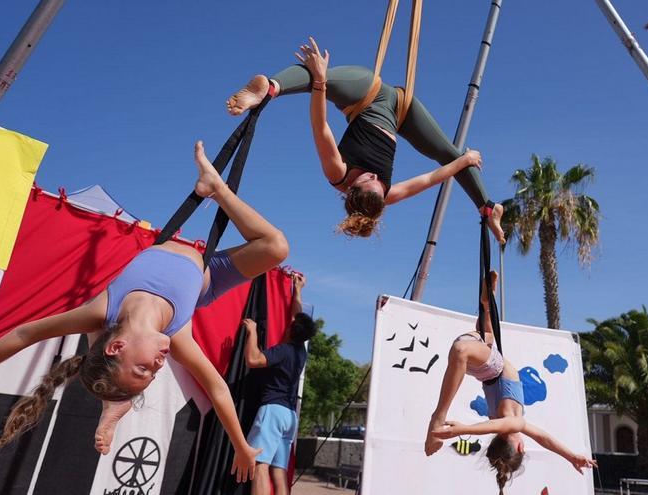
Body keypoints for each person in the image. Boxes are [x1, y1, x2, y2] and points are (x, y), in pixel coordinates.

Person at [0, 141, 289, 483]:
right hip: (204, 280)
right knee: (276, 247)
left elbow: (24, 333)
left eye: (144, 368)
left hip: (129, 312)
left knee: (101, 328)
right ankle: (219, 190)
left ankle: (113, 404)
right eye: (152, 375)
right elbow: (218, 389)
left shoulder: (102, 309)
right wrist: (240, 445)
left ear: (118, 349)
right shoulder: (177, 337)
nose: (158, 367)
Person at [226, 37, 505, 240]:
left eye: (368, 181)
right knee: (450, 154)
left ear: (351, 189)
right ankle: (488, 207)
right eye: (378, 185)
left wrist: (321, 81)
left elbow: (320, 126)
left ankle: (268, 89)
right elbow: (431, 178)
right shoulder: (386, 195)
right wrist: (465, 159)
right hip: (401, 110)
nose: (375, 178)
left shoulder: (337, 173)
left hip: (365, 95)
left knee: (317, 74)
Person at [424, 271, 596, 494]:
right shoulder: (511, 422)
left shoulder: (514, 423)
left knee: (463, 350)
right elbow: (545, 439)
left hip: (491, 367)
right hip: (484, 366)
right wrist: (570, 456)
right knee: (483, 336)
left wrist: (462, 429)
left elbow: (500, 428)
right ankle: (486, 303)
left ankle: (438, 416)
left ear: (520, 447)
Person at [242, 272, 316, 495]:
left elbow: (253, 360)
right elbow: (297, 315)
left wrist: (252, 332)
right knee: (279, 470)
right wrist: (298, 289)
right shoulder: (300, 352)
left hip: (272, 412)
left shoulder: (283, 351)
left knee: (260, 466)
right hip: (289, 417)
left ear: (293, 330)